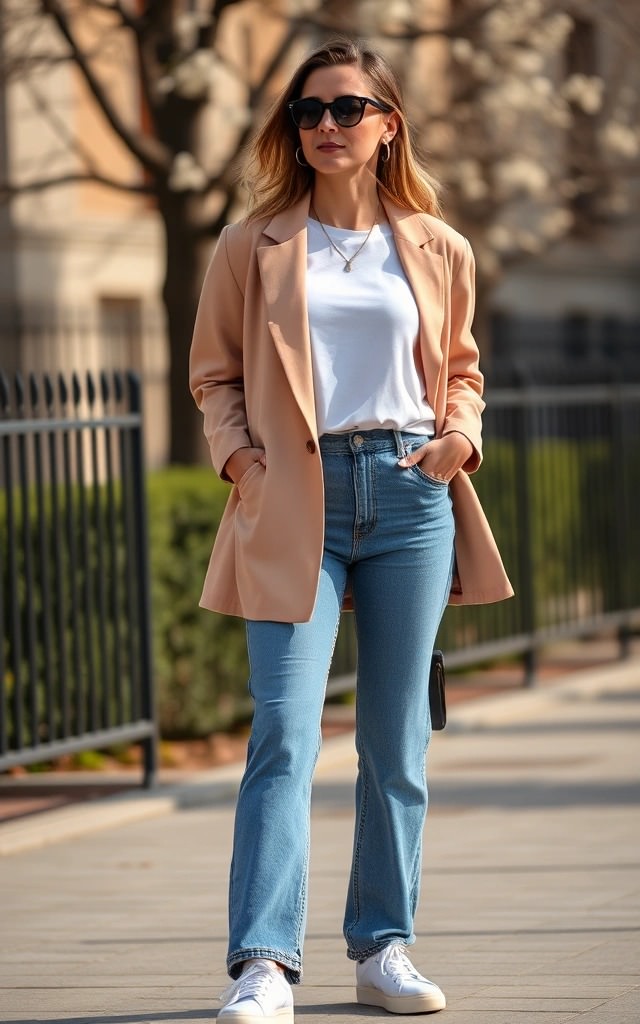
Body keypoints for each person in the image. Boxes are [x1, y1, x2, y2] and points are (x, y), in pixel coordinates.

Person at [190, 37, 513, 1023]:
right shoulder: (252, 244)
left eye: (345, 107)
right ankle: (263, 963)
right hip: (296, 496)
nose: (324, 125)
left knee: (395, 738)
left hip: (411, 494)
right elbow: (215, 377)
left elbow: (460, 369)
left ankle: (382, 946)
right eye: (306, 111)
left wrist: (456, 439)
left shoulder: (437, 244)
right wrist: (243, 460)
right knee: (285, 732)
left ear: (387, 123)